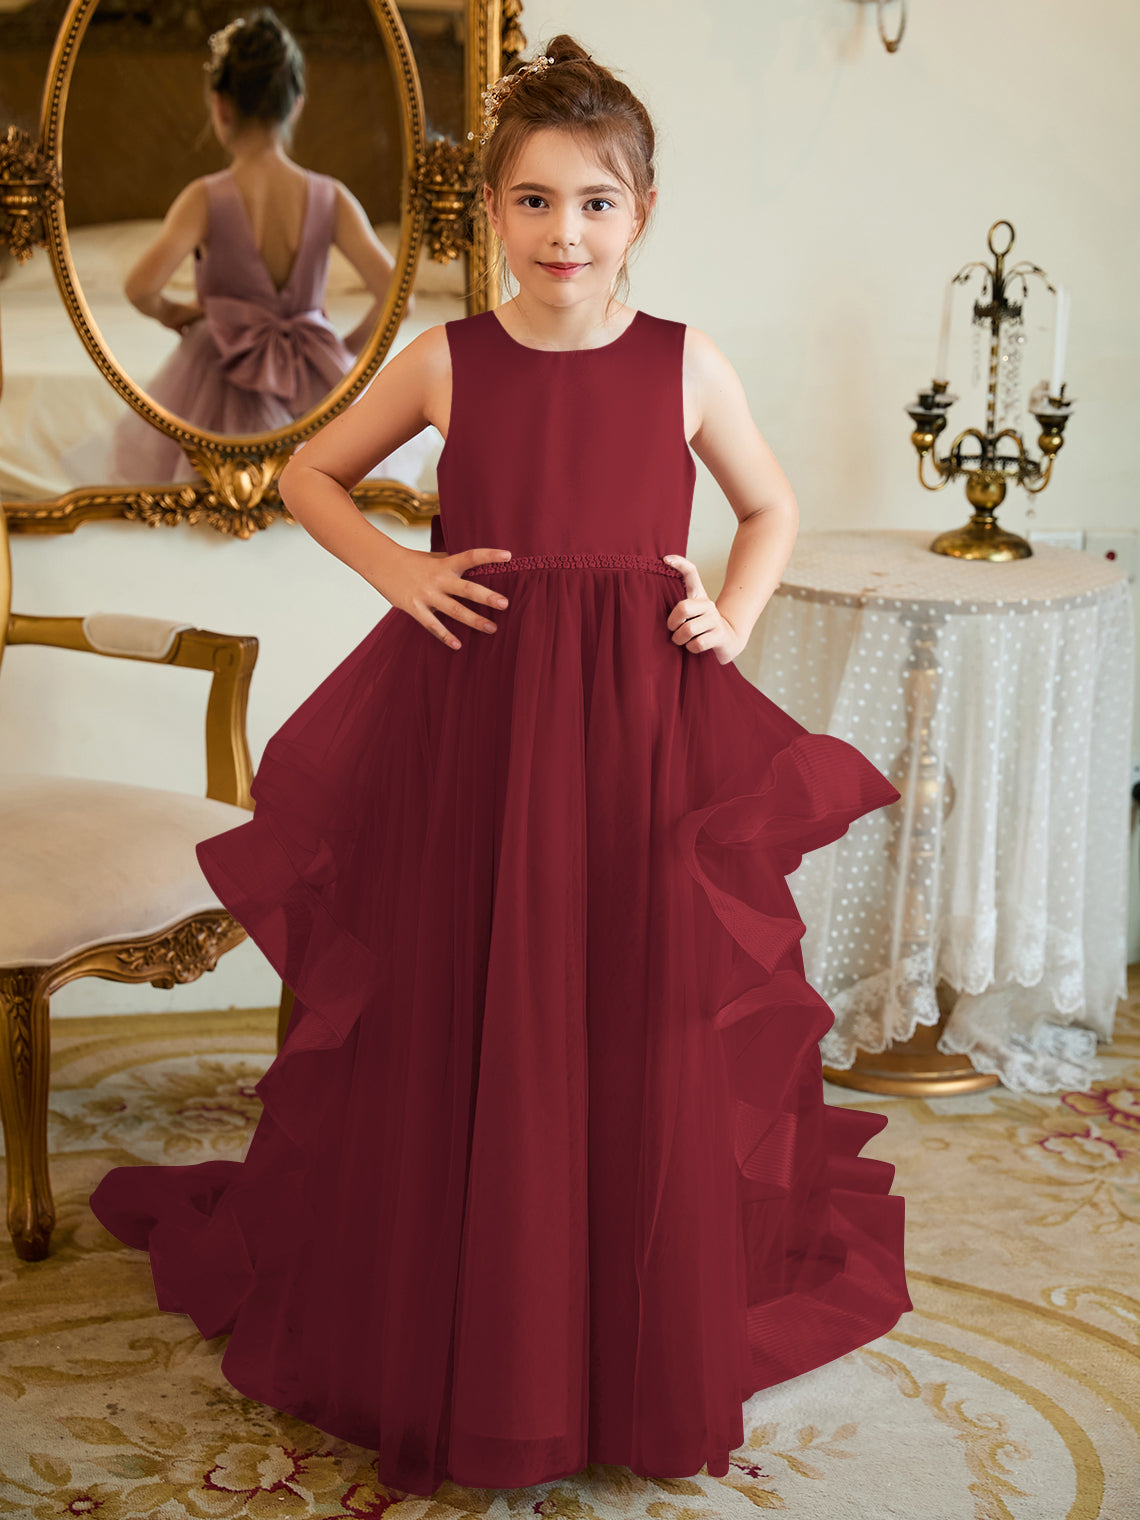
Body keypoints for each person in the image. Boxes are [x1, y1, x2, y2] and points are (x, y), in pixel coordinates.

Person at [90, 35, 912, 1498]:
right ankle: (484, 1310)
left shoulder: (686, 362)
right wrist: (402, 574)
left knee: (627, 995)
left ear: (642, 212)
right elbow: (306, 472)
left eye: (595, 203)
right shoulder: (447, 360)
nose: (563, 233)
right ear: (488, 213)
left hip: (639, 731)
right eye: (533, 202)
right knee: (481, 993)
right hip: (481, 727)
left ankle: (616, 1310)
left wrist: (734, 612)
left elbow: (770, 507)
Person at [107, 7, 402, 484]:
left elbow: (139, 288)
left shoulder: (204, 198)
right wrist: (342, 352)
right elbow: (398, 297)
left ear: (221, 106)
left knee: (210, 497)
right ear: (296, 105)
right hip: (313, 378)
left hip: (219, 371)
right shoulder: (332, 198)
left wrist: (175, 313)